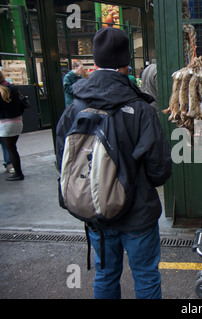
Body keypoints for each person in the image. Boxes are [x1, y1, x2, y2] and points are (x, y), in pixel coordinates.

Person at [55, 28, 172, 299]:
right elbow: (159, 168)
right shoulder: (141, 109)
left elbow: (63, 160)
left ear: (94, 64)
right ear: (126, 64)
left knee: (105, 274)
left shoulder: (75, 106)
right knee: (146, 275)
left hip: (97, 210)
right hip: (139, 213)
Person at [0, 69, 25, 181]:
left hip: (5, 124)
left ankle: (18, 173)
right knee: (12, 148)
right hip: (17, 122)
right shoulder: (13, 88)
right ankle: (17, 172)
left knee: (11, 149)